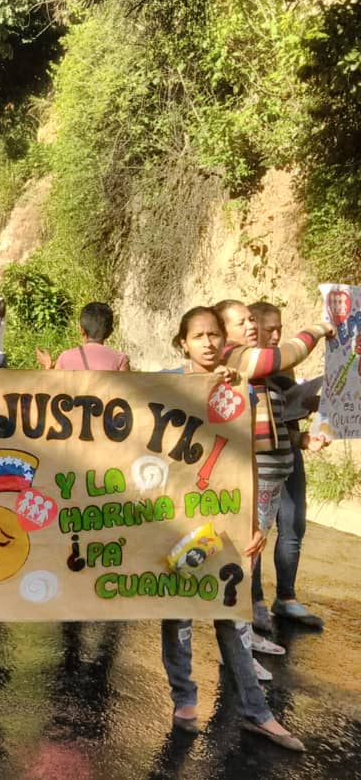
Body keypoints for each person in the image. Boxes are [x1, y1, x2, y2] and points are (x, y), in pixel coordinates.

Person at [161, 306, 303, 751]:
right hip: (173, 519)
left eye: (213, 335)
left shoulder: (241, 389)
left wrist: (254, 519)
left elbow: (251, 455)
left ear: (224, 341)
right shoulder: (164, 383)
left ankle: (257, 713)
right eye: (197, 335)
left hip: (224, 520)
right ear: (183, 342)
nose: (207, 342)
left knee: (230, 614)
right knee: (177, 613)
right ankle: (185, 700)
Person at [214, 299, 334, 641]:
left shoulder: (257, 372)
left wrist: (301, 439)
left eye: (252, 319)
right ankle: (240, 633)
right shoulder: (237, 357)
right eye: (242, 322)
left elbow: (269, 426)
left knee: (253, 545)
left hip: (273, 471)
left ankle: (246, 629)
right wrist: (318, 329)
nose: (251, 326)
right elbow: (281, 356)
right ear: (224, 333)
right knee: (246, 549)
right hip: (255, 473)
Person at [249, 301, 328, 628]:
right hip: (257, 460)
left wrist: (305, 434)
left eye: (280, 328)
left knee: (293, 525)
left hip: (287, 453)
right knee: (255, 532)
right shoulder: (251, 362)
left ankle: (286, 598)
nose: (276, 334)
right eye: (270, 329)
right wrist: (320, 329)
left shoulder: (284, 367)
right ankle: (253, 603)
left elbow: (284, 418)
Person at [36, 302, 129, 371]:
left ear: (81, 330)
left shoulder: (65, 358)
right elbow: (126, 395)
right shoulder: (120, 360)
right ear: (110, 332)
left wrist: (48, 367)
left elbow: (54, 390)